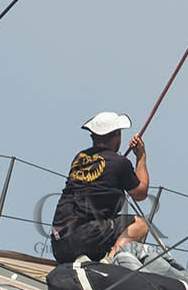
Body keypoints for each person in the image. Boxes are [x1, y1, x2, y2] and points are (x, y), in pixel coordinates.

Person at [49, 111, 150, 264]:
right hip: (83, 237)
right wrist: (141, 157)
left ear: (93, 137)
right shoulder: (119, 163)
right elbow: (140, 194)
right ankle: (110, 262)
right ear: (116, 135)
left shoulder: (79, 158)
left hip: (59, 244)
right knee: (141, 225)